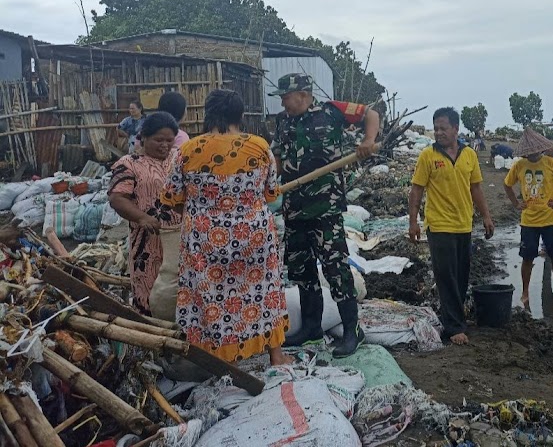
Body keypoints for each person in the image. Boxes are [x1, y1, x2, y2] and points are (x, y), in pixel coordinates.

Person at [160, 89, 292, 365]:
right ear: (240, 115)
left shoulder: (187, 150)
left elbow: (171, 198)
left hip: (205, 238)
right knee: (262, 291)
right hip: (254, 235)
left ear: (208, 114)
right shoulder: (259, 146)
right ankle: (276, 356)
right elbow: (271, 194)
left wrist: (203, 213)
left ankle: (222, 360)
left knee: (211, 296)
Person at [269, 73, 379, 358]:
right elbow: (277, 161)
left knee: (335, 269)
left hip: (325, 208)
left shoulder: (332, 111)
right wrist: (268, 185)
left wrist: (368, 141)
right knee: (301, 270)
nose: (283, 103)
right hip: (294, 207)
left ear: (303, 94)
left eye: (286, 97)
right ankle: (311, 328)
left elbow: (371, 113)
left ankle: (352, 330)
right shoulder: (282, 122)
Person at [408, 107, 495, 345]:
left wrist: (486, 216)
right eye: (436, 128)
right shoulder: (428, 156)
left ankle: (456, 318)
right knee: (446, 277)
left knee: (461, 275)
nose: (438, 133)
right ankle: (454, 327)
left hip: (463, 224)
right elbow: (417, 189)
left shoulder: (469, 155)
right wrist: (413, 221)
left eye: (443, 128)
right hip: (439, 225)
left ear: (456, 129)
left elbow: (476, 188)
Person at [109, 112, 181, 314]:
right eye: (158, 140)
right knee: (150, 288)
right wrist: (142, 218)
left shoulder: (179, 158)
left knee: (179, 289)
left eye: (169, 140)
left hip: (179, 238)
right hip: (148, 241)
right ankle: (151, 335)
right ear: (144, 137)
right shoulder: (129, 163)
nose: (164, 145)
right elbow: (117, 198)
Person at [504, 128, 553, 310]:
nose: (533, 154)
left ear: (541, 149)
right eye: (529, 152)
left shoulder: (552, 163)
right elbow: (507, 184)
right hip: (529, 221)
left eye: (535, 151)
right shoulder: (519, 166)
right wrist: (516, 203)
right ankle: (525, 292)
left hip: (550, 219)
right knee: (527, 258)